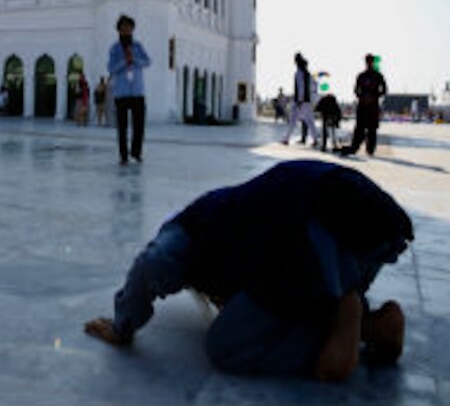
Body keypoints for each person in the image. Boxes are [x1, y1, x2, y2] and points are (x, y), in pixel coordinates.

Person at [84, 160, 412, 381]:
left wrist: (122, 325)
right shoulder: (229, 215)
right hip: (372, 219)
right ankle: (366, 319)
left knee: (227, 346)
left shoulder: (194, 237)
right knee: (303, 295)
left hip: (322, 228)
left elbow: (150, 266)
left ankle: (350, 327)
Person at [108, 14, 151, 165]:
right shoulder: (114, 48)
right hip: (121, 93)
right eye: (123, 28)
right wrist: (124, 62)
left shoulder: (138, 46)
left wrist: (134, 59)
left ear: (132, 29)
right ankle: (123, 155)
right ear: (119, 30)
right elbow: (111, 68)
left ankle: (136, 152)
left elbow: (147, 62)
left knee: (139, 125)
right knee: (122, 126)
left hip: (138, 92)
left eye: (129, 28)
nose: (126, 31)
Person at [341, 54, 387, 157]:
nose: (369, 63)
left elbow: (384, 90)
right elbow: (356, 90)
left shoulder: (378, 76)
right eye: (367, 61)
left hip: (373, 105)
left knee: (372, 129)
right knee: (359, 128)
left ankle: (370, 150)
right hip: (362, 105)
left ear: (373, 62)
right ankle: (354, 147)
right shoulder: (361, 76)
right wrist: (362, 97)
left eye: (370, 61)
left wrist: (374, 97)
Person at [282, 54, 319, 147]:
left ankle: (286, 139)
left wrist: (300, 100)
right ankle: (315, 139)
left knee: (293, 120)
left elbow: (300, 87)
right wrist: (312, 98)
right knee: (310, 121)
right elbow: (315, 86)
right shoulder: (308, 74)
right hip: (308, 101)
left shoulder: (298, 73)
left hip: (300, 101)